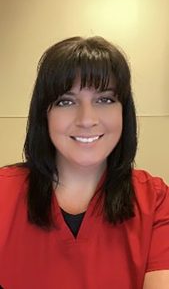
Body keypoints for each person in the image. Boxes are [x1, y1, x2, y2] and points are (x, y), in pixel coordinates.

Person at [0, 36, 169, 289]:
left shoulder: (155, 200)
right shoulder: (4, 194)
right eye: (66, 101)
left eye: (105, 99)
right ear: (43, 114)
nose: (87, 119)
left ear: (124, 111)